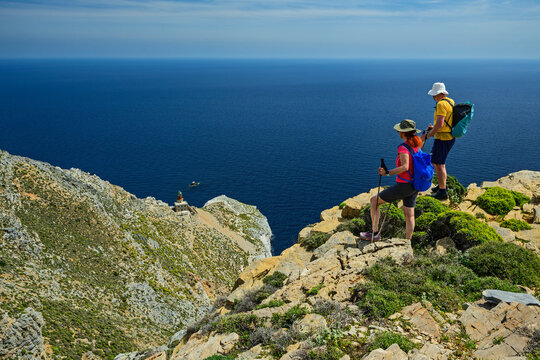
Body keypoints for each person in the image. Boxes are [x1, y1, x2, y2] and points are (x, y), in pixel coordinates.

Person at [359, 119, 423, 242]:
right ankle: (407, 242)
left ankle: (375, 233)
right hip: (415, 184)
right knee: (410, 215)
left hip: (404, 185)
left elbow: (405, 166)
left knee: (374, 201)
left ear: (402, 132)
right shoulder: (417, 144)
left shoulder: (403, 147)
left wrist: (387, 173)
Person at [422, 82, 455, 200]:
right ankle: (442, 186)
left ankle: (442, 192)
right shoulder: (450, 101)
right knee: (436, 162)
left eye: (434, 95)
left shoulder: (441, 104)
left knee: (440, 165)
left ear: (437, 94)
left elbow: (440, 125)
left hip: (443, 138)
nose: (433, 97)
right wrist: (434, 127)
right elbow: (447, 121)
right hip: (448, 136)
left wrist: (427, 136)